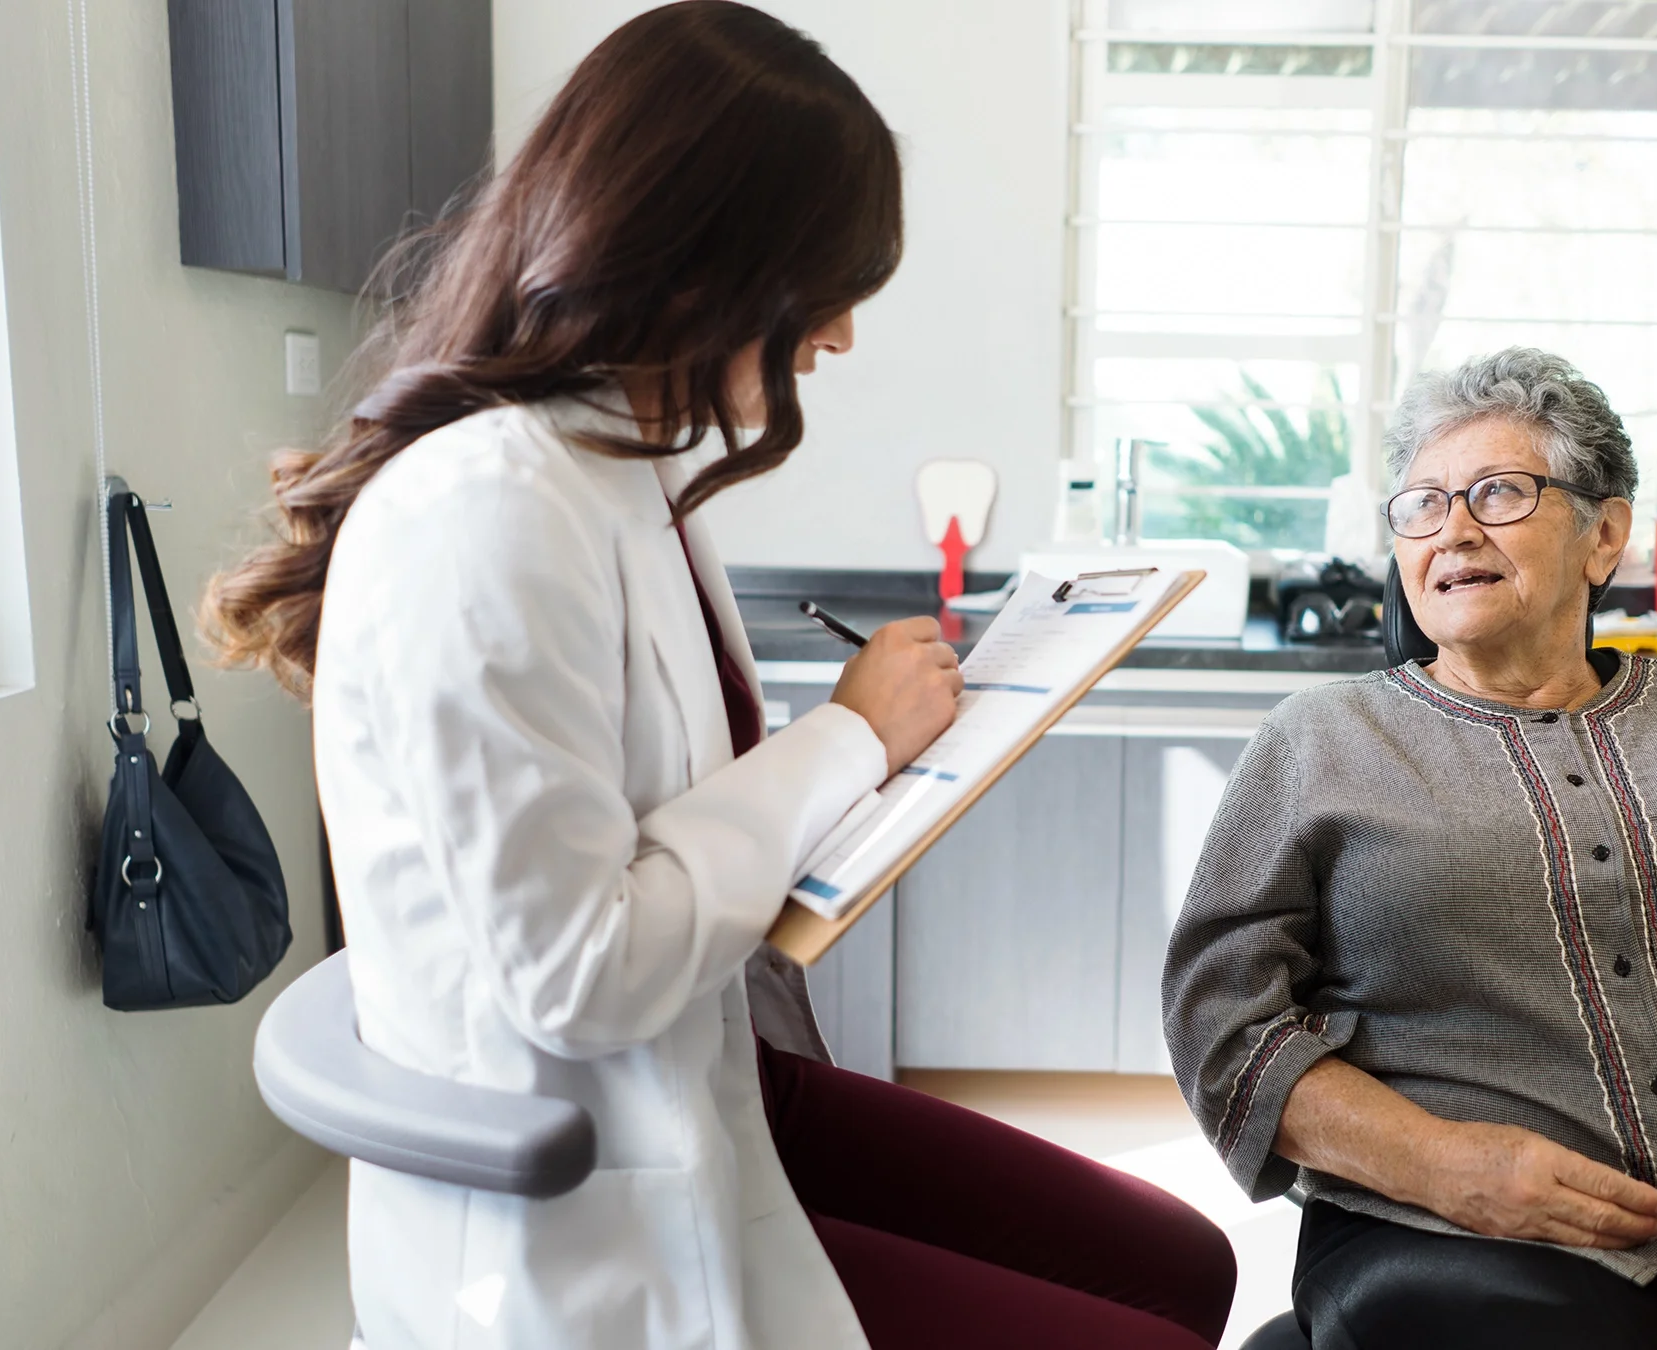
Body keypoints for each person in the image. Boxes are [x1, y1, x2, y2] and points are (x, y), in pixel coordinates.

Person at [201, 5, 1234, 1347]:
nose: (845, 335)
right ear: (705, 262)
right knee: (1159, 1319)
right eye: (831, 283)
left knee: (1186, 1261)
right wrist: (850, 739)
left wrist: (885, 755)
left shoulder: (626, 475)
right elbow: (581, 972)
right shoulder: (490, 510)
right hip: (589, 1204)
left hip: (703, 1086)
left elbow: (662, 809)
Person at [1162, 348, 1657, 1350]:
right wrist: (1443, 1165)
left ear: (1606, 536)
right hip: (1447, 1236)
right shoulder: (1319, 744)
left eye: (1499, 493)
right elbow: (1226, 1023)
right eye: (1421, 504)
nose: (1452, 529)